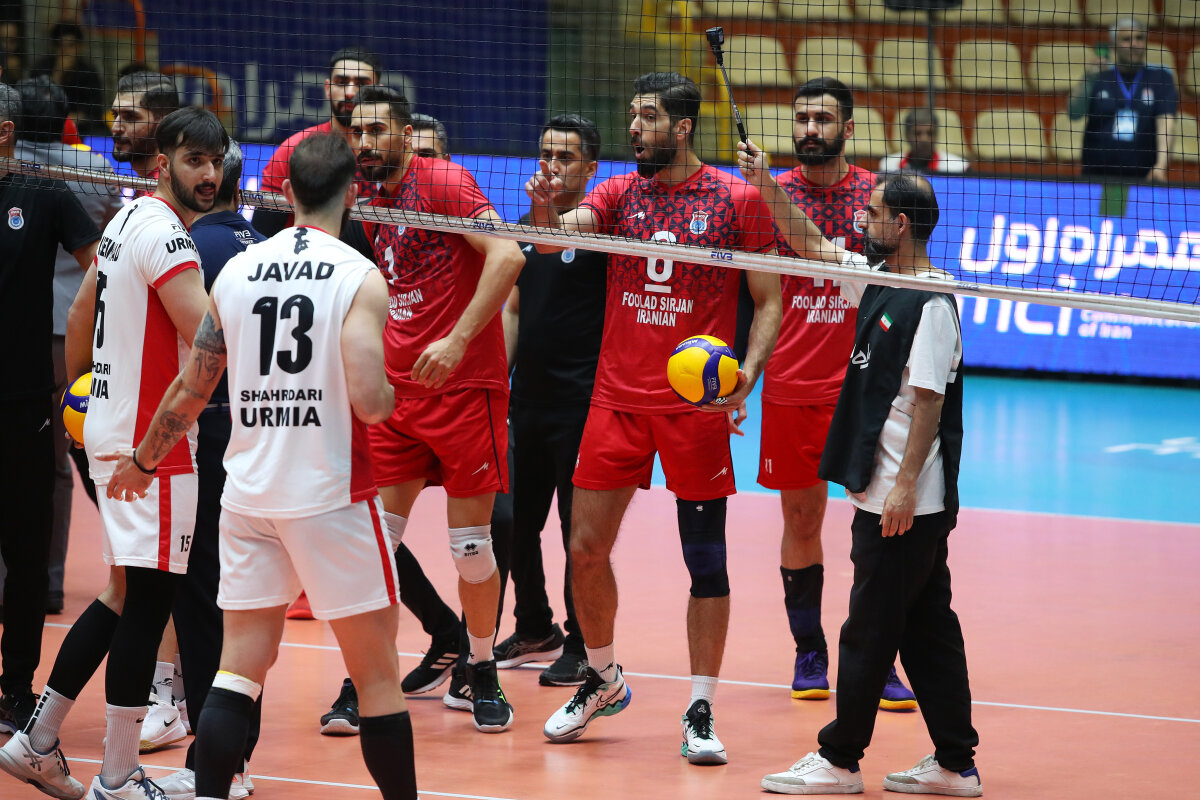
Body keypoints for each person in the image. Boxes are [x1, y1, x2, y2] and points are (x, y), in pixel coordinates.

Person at [100, 132, 418, 800]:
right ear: (353, 193)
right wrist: (397, 388)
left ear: (287, 191)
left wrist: (143, 461)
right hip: (329, 494)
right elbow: (370, 401)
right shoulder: (359, 275)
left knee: (237, 671)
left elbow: (193, 387)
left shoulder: (238, 273)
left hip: (248, 496)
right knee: (377, 679)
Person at [526, 72, 782, 764]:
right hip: (616, 399)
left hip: (694, 407)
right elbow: (551, 243)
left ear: (683, 126)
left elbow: (769, 299)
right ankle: (603, 678)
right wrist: (545, 212)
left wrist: (750, 371)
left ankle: (700, 707)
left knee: (705, 561)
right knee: (584, 549)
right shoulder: (617, 193)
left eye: (647, 117)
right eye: (632, 115)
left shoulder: (737, 199)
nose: (634, 128)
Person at [0, 105, 226, 800]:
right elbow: (210, 349)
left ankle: (35, 741)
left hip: (112, 426)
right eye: (194, 160)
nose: (209, 174)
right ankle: (120, 776)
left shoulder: (125, 221)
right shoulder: (169, 240)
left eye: (217, 161)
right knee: (149, 602)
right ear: (163, 163)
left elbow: (79, 314)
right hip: (152, 443)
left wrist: (85, 406)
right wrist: (149, 452)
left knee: (123, 593)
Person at [740, 140, 980, 795]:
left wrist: (901, 488)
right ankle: (955, 763)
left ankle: (840, 760)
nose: (860, 222)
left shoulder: (930, 302)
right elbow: (813, 245)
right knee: (928, 628)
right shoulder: (878, 278)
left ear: (899, 225)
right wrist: (765, 182)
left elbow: (928, 402)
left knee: (868, 629)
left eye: (872, 214)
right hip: (892, 495)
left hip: (906, 503)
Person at [348, 84, 525, 733]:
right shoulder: (366, 196)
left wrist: (456, 341)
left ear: (404, 132)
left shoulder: (445, 182)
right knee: (375, 546)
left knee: (471, 548)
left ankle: (481, 668)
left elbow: (508, 255)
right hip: (397, 396)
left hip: (462, 390)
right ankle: (364, 678)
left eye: (376, 130)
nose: (364, 143)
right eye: (356, 132)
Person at [757, 77, 916, 711]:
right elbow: (757, 295)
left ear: (848, 128)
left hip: (866, 386)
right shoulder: (766, 196)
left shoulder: (879, 198)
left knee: (877, 531)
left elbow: (903, 282)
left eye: (822, 119)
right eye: (801, 119)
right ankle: (809, 651)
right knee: (801, 520)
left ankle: (877, 658)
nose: (809, 130)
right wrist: (745, 374)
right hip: (793, 383)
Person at [147, 140, 264, 800]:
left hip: (210, 440)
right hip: (266, 443)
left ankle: (216, 766)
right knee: (248, 603)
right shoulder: (265, 246)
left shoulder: (192, 251)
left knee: (200, 598)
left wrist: (146, 452)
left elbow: (196, 364)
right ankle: (233, 754)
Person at [0, 82, 101, 737]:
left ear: (4, 132)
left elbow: (102, 267)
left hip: (25, 402)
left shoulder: (43, 194)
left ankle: (16, 690)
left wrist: (91, 356)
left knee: (28, 556)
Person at [492, 113, 606, 687]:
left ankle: (582, 643)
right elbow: (514, 310)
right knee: (512, 521)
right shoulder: (522, 231)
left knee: (575, 531)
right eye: (546, 155)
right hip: (527, 402)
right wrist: (499, 382)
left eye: (565, 158)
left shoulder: (603, 236)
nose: (552, 166)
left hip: (583, 404)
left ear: (590, 168)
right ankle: (535, 625)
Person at [252, 45, 379, 237]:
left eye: (361, 84)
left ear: (377, 92)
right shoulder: (293, 149)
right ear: (328, 89)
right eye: (341, 82)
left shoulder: (390, 155)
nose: (350, 92)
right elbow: (262, 236)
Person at [1070, 17, 1177, 183]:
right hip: (1096, 175)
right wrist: (1087, 80)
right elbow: (1074, 113)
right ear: (1113, 46)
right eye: (1126, 39)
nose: (1134, 44)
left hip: (1143, 177)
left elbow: (1166, 122)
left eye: (1139, 38)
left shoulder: (1161, 78)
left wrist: (1161, 166)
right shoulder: (1099, 76)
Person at [31, 22, 106, 136]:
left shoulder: (89, 73)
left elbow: (95, 111)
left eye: (71, 45)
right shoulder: (41, 69)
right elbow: (36, 106)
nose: (65, 51)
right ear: (54, 47)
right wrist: (58, 74)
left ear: (80, 47)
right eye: (61, 45)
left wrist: (75, 118)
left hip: (82, 129)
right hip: (47, 128)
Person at [110, 71, 180, 183]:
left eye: (130, 117)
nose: (115, 128)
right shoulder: (149, 184)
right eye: (115, 115)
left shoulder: (167, 188)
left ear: (164, 124)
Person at [877, 108, 968, 176]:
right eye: (917, 133)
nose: (924, 139)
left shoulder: (959, 167)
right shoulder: (888, 166)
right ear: (906, 136)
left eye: (930, 133)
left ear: (936, 135)